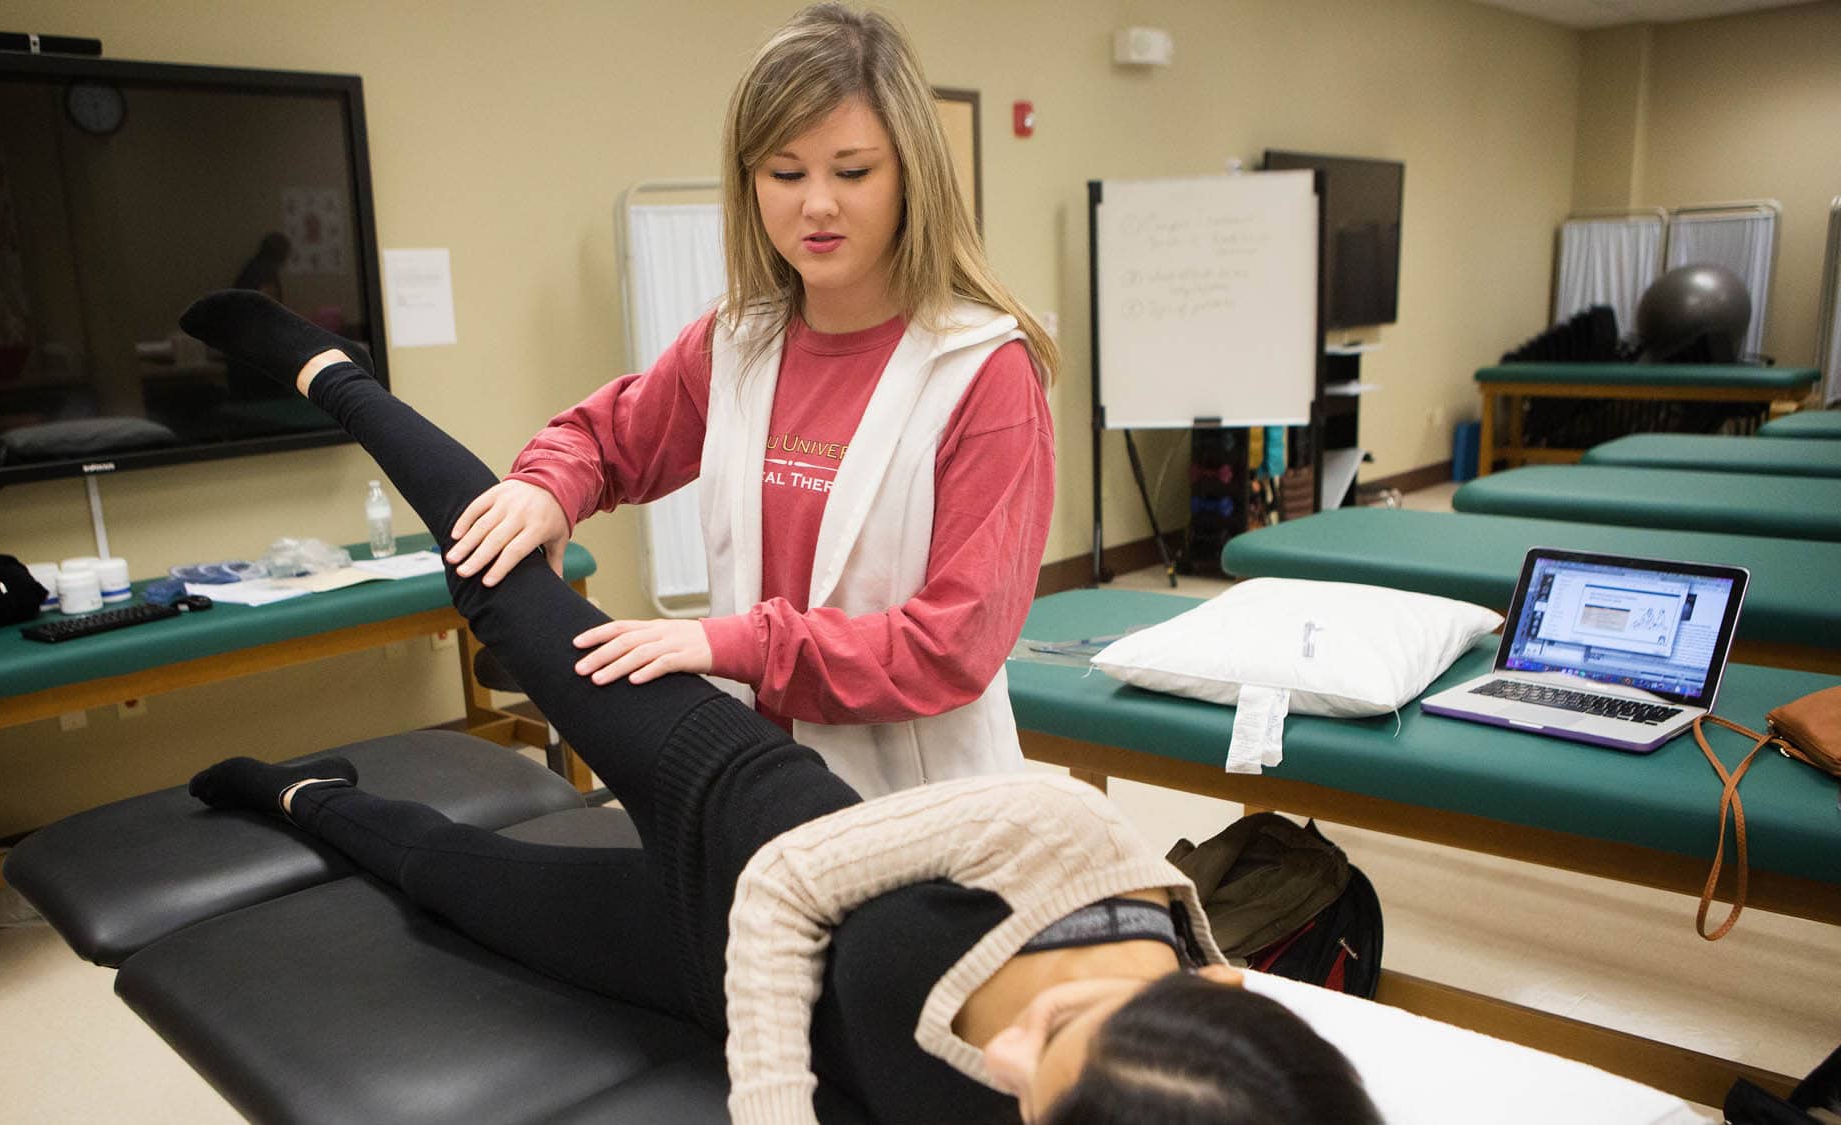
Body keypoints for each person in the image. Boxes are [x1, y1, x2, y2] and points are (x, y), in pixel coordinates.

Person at [175, 288, 1380, 1125]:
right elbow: (793, 885)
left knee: (450, 887)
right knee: (507, 592)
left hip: (712, 968)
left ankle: (304, 799)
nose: (1002, 1056)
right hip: (759, 826)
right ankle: (334, 376)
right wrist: (570, 504)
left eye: (1033, 1093)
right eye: (1055, 1027)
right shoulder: (1078, 853)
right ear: (1206, 985)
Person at [443, 4, 1060, 797]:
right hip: (751, 783)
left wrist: (729, 642)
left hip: (916, 804)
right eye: (786, 172)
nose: (818, 206)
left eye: (853, 171)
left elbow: (953, 644)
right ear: (750, 182)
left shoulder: (983, 373)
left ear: (911, 172)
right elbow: (610, 438)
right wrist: (545, 484)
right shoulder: (736, 344)